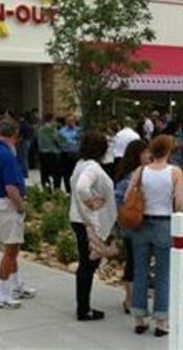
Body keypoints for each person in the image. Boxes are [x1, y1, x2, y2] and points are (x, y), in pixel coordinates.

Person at [127, 135, 183, 336]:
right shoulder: (175, 172)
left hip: (141, 223)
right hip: (163, 223)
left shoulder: (141, 171)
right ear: (169, 151)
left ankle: (139, 318)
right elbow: (179, 202)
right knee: (163, 274)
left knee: (140, 271)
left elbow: (129, 196)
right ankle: (161, 321)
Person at [0, 119, 36, 309]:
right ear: (16, 134)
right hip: (7, 204)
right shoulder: (6, 155)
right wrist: (21, 206)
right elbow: (11, 187)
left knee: (10, 248)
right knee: (11, 250)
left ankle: (15, 284)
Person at [69, 131, 116, 321]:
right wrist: (90, 202)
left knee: (86, 263)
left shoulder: (80, 164)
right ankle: (84, 308)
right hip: (89, 222)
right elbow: (82, 187)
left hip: (78, 218)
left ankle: (84, 306)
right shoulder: (92, 168)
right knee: (88, 264)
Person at [113, 139, 150, 315]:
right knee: (134, 262)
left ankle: (132, 298)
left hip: (135, 224)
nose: (150, 155)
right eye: (146, 152)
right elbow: (119, 201)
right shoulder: (130, 177)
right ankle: (131, 299)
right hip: (134, 225)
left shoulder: (139, 174)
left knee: (135, 261)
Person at [37, 113, 63, 191]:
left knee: (44, 175)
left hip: (43, 154)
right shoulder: (52, 130)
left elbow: (39, 142)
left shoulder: (40, 130)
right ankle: (56, 190)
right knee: (56, 175)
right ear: (52, 120)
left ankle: (47, 191)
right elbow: (58, 141)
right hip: (53, 154)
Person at [59, 114, 81, 193]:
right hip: (65, 154)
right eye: (68, 121)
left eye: (72, 120)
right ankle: (68, 190)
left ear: (75, 121)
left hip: (75, 154)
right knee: (66, 174)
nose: (70, 122)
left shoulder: (78, 130)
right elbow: (60, 142)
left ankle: (76, 189)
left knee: (76, 173)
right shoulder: (62, 131)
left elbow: (80, 141)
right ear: (66, 122)